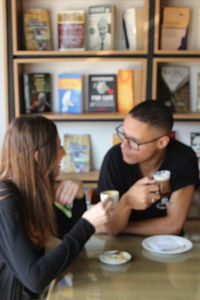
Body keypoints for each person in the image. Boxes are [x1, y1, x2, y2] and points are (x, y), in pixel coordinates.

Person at [0, 115, 111, 300]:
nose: (64, 153)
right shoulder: (6, 201)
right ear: (38, 156)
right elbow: (34, 279)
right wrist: (87, 224)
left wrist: (78, 197)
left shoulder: (32, 190)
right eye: (58, 146)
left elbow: (64, 235)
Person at [95, 100, 200, 236]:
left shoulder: (183, 158)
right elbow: (110, 226)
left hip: (166, 244)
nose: (123, 146)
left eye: (134, 141)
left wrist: (121, 227)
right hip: (118, 247)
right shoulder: (114, 158)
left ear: (161, 142)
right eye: (124, 135)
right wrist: (127, 202)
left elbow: (173, 226)